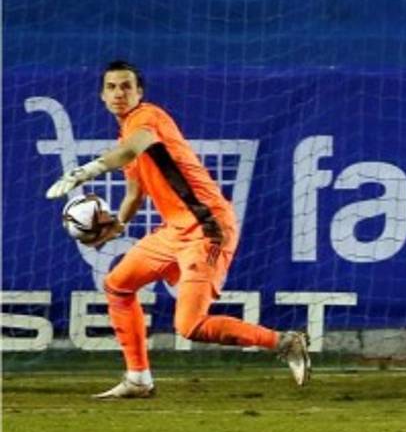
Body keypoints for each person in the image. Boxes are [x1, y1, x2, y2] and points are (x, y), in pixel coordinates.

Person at [45, 61, 311, 398]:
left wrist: (85, 172)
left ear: (139, 92)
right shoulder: (125, 132)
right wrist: (119, 225)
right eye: (111, 87)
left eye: (126, 86)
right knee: (118, 286)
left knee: (190, 326)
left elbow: (131, 149)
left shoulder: (146, 117)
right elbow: (134, 192)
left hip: (207, 227)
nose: (119, 93)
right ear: (102, 95)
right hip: (173, 232)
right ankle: (138, 378)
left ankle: (285, 342)